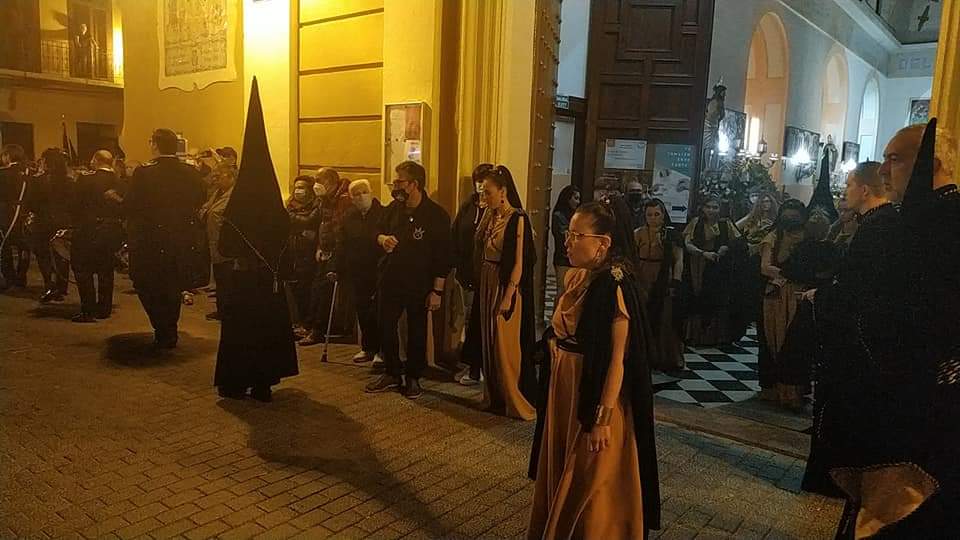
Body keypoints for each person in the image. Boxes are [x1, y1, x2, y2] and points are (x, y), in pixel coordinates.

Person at [528, 197, 660, 539]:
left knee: (591, 481)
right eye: (567, 234)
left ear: (603, 243)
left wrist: (601, 419)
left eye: (576, 236)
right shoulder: (577, 277)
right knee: (562, 463)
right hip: (565, 386)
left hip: (594, 394)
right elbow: (559, 330)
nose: (567, 242)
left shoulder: (615, 287)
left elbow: (617, 359)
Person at [214, 78, 299, 402]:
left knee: (241, 332)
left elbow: (225, 247)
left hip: (242, 282)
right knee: (267, 330)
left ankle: (237, 382)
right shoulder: (276, 208)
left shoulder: (238, 207)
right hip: (269, 285)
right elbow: (285, 243)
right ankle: (263, 383)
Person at [365, 161, 452, 399]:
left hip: (419, 283)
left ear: (414, 184)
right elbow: (374, 231)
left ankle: (414, 376)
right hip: (390, 279)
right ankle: (392, 372)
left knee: (417, 330)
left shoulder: (436, 215)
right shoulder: (393, 209)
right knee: (385, 325)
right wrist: (382, 239)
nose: (395, 186)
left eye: (399, 182)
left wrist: (437, 291)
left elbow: (443, 256)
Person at [121, 128, 206, 348]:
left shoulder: (144, 173)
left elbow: (131, 205)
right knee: (172, 285)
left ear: (155, 145)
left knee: (147, 284)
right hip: (180, 238)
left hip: (150, 240)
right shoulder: (190, 172)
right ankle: (169, 326)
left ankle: (162, 326)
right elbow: (200, 197)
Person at [475, 165, 537, 420]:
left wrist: (509, 294)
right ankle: (494, 396)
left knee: (503, 343)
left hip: (504, 282)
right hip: (487, 278)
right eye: (482, 192)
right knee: (488, 340)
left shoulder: (517, 218)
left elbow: (519, 262)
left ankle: (513, 397)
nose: (484, 197)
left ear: (503, 191)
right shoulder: (490, 217)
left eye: (488, 192)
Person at [758, 199, 808, 407]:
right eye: (788, 215)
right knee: (775, 337)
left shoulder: (808, 235)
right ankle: (775, 388)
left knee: (795, 341)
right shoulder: (773, 236)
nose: (791, 219)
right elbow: (765, 267)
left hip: (799, 293)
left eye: (795, 216)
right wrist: (787, 274)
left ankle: (793, 390)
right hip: (778, 294)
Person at [331, 179, 384, 363]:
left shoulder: (383, 214)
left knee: (379, 311)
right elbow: (341, 243)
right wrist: (336, 267)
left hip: (378, 269)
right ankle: (368, 347)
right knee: (362, 309)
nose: (361, 197)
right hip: (357, 269)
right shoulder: (349, 216)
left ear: (371, 192)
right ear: (352, 198)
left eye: (364, 192)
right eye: (356, 194)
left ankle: (382, 350)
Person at [682, 196, 744, 346]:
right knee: (697, 295)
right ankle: (696, 335)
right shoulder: (696, 222)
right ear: (702, 208)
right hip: (698, 264)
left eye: (715, 207)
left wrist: (726, 248)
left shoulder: (725, 224)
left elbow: (738, 241)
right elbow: (687, 243)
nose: (711, 210)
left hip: (719, 266)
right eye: (708, 207)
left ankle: (716, 336)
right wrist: (702, 253)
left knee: (718, 298)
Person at [70, 150, 123, 322]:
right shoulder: (119, 181)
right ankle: (104, 308)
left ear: (96, 160)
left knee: (83, 269)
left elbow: (75, 204)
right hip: (111, 229)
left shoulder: (86, 179)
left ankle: (88, 309)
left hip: (88, 229)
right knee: (106, 270)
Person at [452, 163, 492, 385]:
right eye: (477, 180)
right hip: (467, 273)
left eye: (484, 180)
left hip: (487, 275)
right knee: (468, 318)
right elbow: (456, 233)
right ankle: (472, 364)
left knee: (482, 320)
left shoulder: (496, 209)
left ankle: (483, 365)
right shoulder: (468, 205)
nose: (480, 185)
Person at [635, 198, 684, 372]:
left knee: (665, 319)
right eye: (649, 215)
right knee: (644, 318)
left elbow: (678, 259)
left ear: (663, 215)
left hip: (663, 279)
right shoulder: (638, 233)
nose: (653, 218)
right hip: (643, 279)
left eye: (657, 214)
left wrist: (676, 281)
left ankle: (665, 357)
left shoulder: (671, 234)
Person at [27, 148, 74, 303]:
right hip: (63, 222)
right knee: (61, 254)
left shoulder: (37, 181)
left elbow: (31, 203)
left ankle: (50, 284)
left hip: (43, 222)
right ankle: (61, 285)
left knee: (44, 255)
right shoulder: (69, 182)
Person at [199, 163, 236, 322]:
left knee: (228, 280)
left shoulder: (234, 196)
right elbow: (206, 209)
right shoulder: (217, 193)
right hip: (214, 242)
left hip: (227, 244)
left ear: (230, 178)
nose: (215, 180)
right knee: (220, 279)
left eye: (219, 177)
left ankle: (229, 311)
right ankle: (222, 309)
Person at [284, 176, 320, 336]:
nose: (298, 191)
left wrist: (293, 221)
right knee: (296, 290)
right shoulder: (290, 205)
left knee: (307, 290)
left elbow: (308, 221)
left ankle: (308, 323)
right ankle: (298, 322)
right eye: (296, 187)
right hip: (293, 253)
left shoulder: (316, 205)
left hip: (308, 254)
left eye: (302, 188)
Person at [0, 144, 31, 290]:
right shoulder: (29, 173)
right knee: (24, 247)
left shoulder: (2, 174)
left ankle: (10, 278)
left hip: (5, 215)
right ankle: (21, 275)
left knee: (4, 247)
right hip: (24, 214)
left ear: (7, 156)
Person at [550, 185, 580, 297]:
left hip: (575, 259)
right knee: (562, 291)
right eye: (575, 198)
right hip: (563, 258)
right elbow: (563, 237)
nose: (578, 202)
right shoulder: (559, 216)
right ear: (567, 198)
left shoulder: (576, 215)